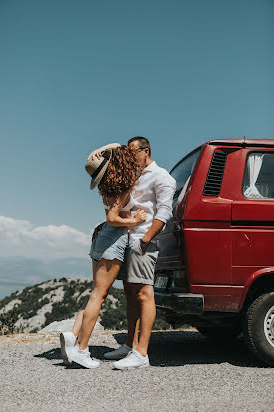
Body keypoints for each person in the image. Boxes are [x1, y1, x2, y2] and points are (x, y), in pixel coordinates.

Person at [60, 145, 147, 369]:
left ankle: (74, 337)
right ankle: (81, 350)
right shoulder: (123, 186)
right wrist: (134, 222)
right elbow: (112, 218)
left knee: (95, 294)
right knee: (99, 296)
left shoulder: (106, 186)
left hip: (100, 241)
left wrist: (99, 152)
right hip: (113, 241)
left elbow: (118, 145)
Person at [95, 137, 176, 370]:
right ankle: (130, 346)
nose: (129, 158)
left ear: (146, 151)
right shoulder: (135, 174)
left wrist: (145, 240)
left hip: (143, 241)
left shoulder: (162, 177)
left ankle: (141, 353)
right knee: (130, 293)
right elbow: (108, 151)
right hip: (128, 239)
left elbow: (165, 212)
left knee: (144, 294)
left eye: (133, 153)